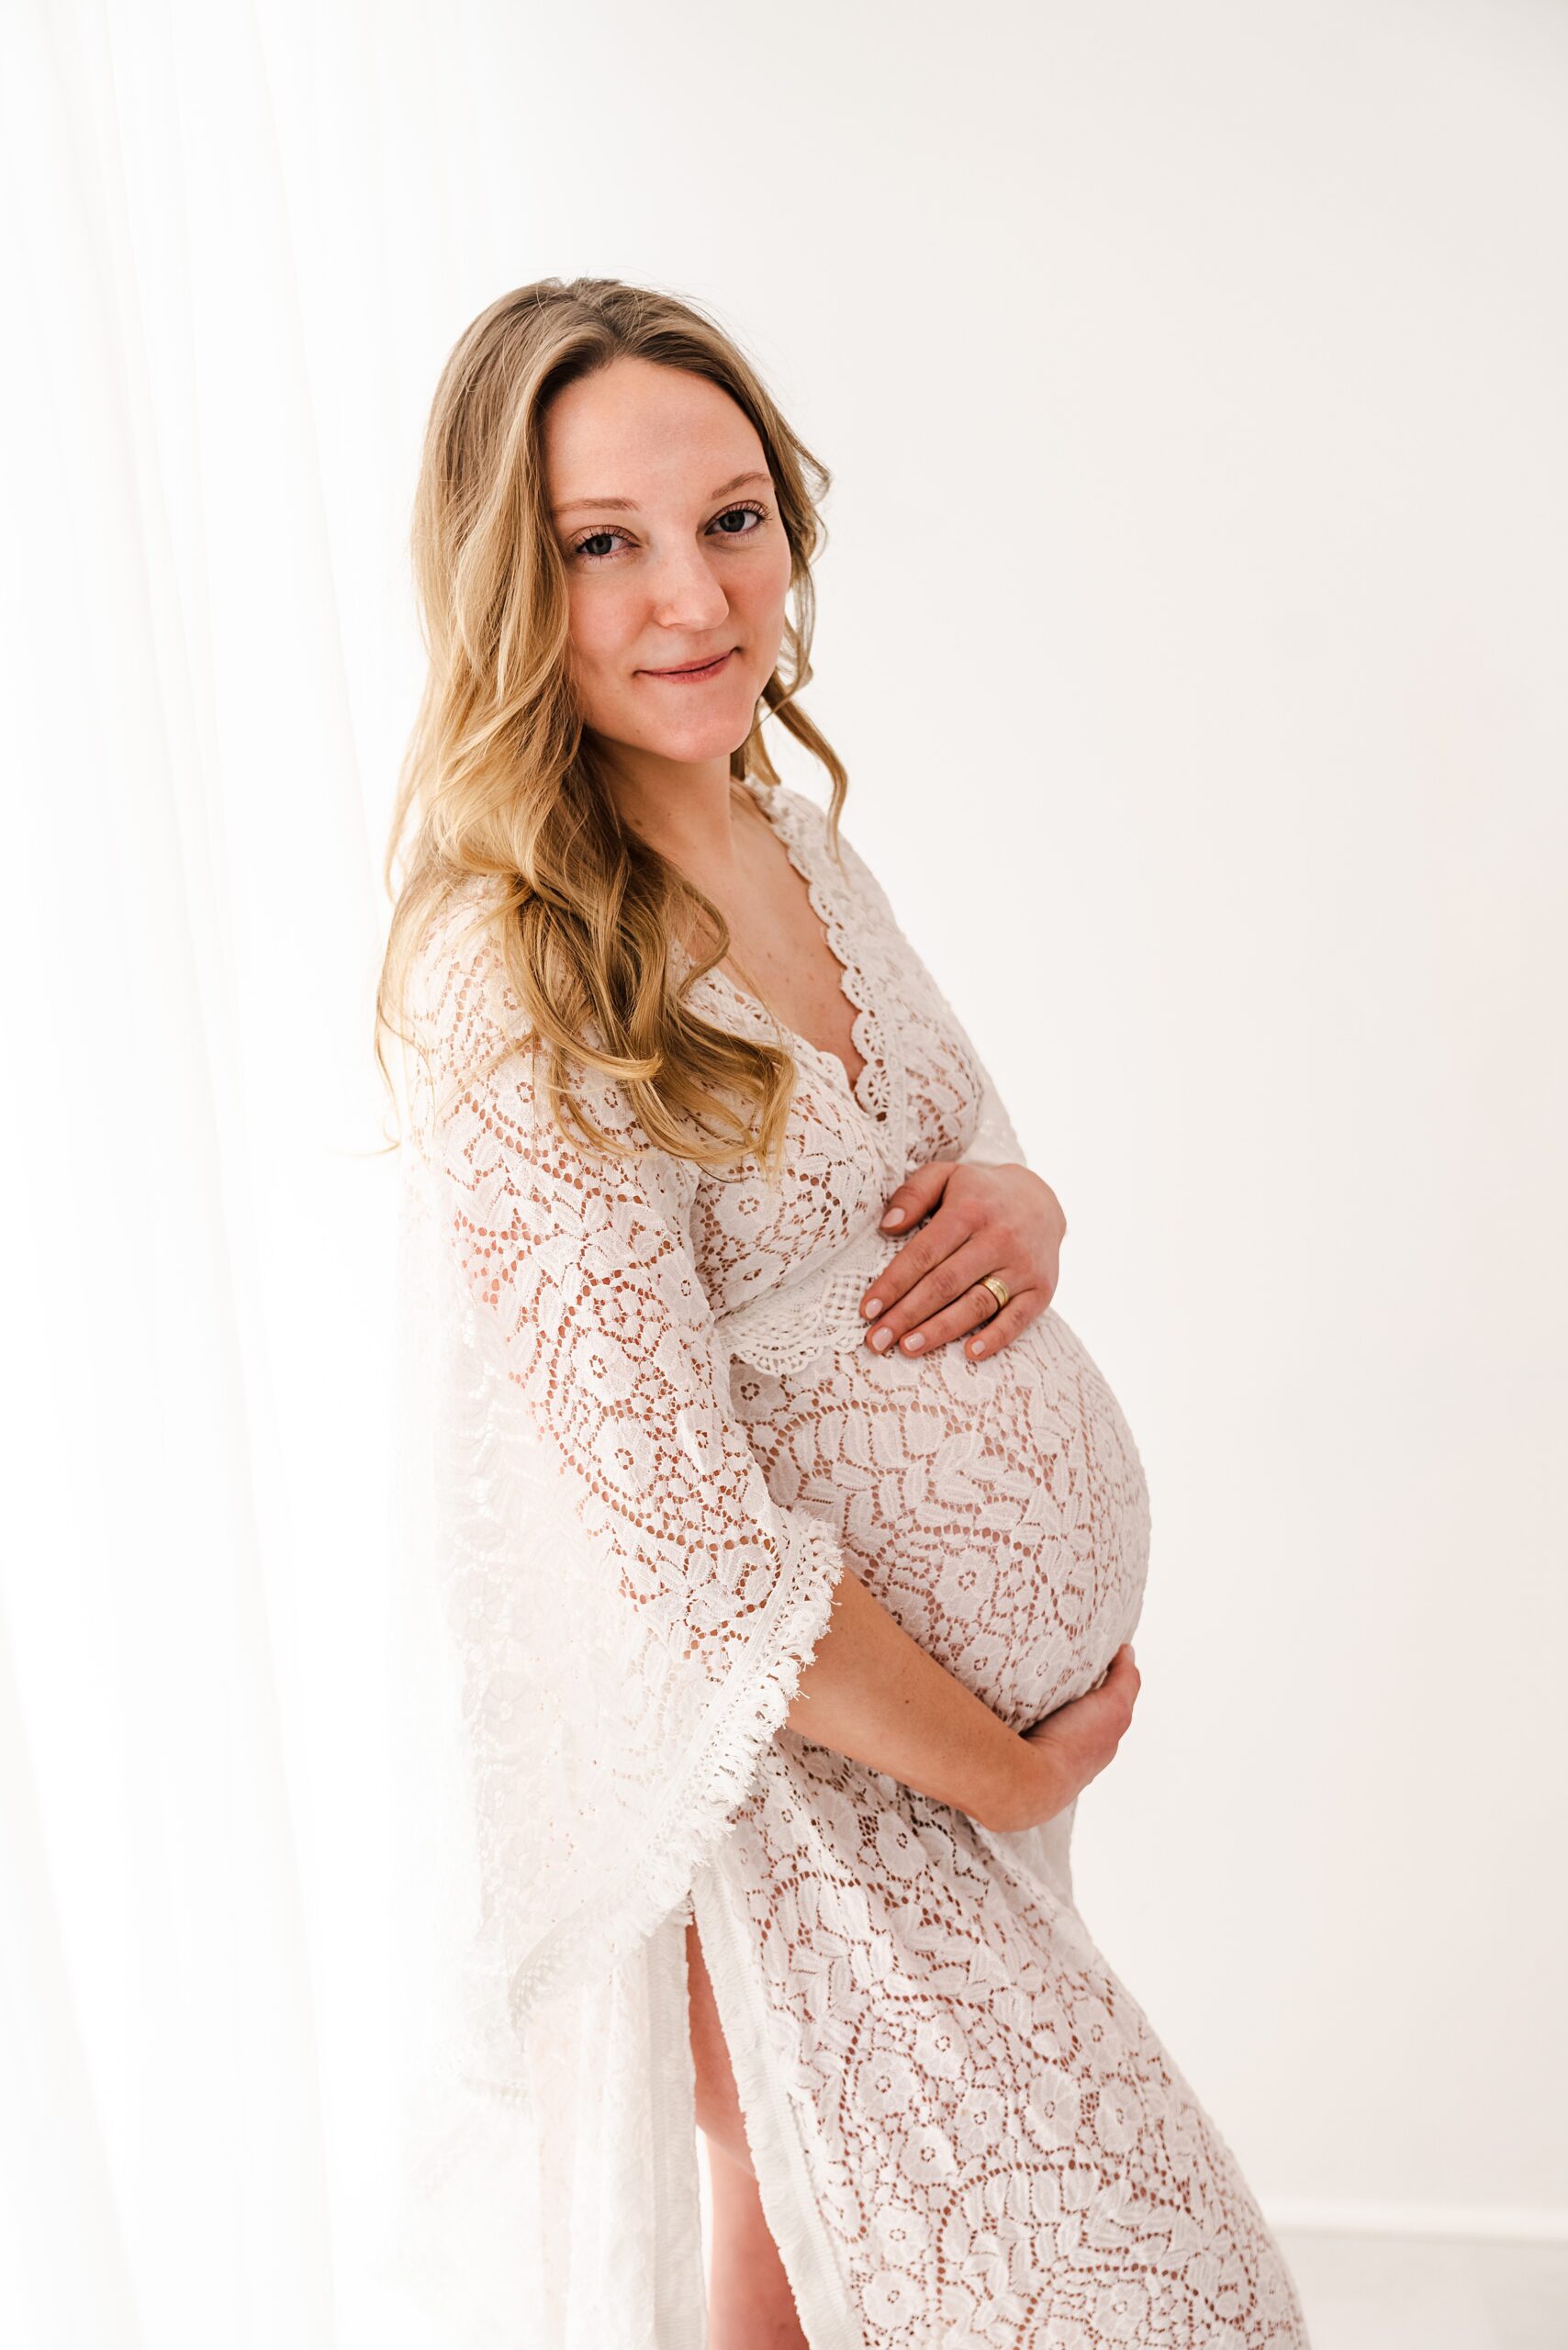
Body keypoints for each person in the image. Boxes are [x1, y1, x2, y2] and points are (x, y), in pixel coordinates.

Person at [375, 276, 1311, 2349]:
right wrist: (999, 1768)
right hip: (780, 1789)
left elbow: (955, 1155)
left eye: (731, 517)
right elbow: (692, 1561)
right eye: (602, 542)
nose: (692, 594)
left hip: (935, 1771)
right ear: (505, 583)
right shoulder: (509, 977)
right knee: (1167, 2305)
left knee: (805, 2272)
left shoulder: (787, 838)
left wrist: (1030, 1200)